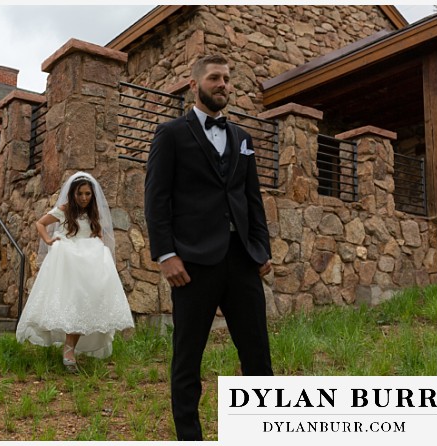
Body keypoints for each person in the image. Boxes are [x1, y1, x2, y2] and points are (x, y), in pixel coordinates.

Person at [144, 55, 274, 441]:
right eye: (215, 78)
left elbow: (253, 198)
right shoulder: (170, 134)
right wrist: (166, 254)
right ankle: (190, 436)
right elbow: (156, 199)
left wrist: (261, 247)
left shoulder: (242, 138)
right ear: (194, 84)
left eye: (228, 79)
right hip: (193, 263)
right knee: (188, 358)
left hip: (242, 261)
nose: (223, 85)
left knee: (258, 357)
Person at [16, 172, 134, 372]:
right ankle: (68, 351)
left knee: (85, 304)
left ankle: (70, 349)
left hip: (88, 262)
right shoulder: (64, 210)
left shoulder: (93, 213)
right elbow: (40, 223)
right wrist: (48, 240)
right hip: (69, 260)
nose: (84, 198)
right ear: (73, 194)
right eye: (80, 193)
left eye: (88, 194)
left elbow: (95, 233)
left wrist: (98, 246)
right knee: (72, 301)